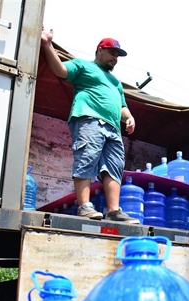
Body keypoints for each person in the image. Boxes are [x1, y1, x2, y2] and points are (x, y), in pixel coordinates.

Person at [40, 28, 138, 223]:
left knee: (114, 167)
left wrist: (129, 117)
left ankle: (114, 211)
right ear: (99, 50)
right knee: (87, 158)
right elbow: (61, 70)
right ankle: (84, 206)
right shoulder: (83, 66)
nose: (115, 57)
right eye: (112, 52)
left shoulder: (116, 82)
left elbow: (122, 106)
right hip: (89, 120)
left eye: (117, 55)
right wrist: (47, 44)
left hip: (113, 129)